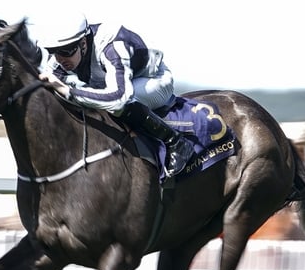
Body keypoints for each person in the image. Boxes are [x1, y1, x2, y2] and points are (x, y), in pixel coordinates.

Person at [37, 13, 195, 178]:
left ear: (83, 43)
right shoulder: (63, 56)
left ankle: (176, 142)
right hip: (119, 83)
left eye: (65, 51)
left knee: (118, 105)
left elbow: (119, 99)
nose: (60, 58)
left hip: (152, 81)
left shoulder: (112, 45)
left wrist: (70, 92)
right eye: (53, 52)